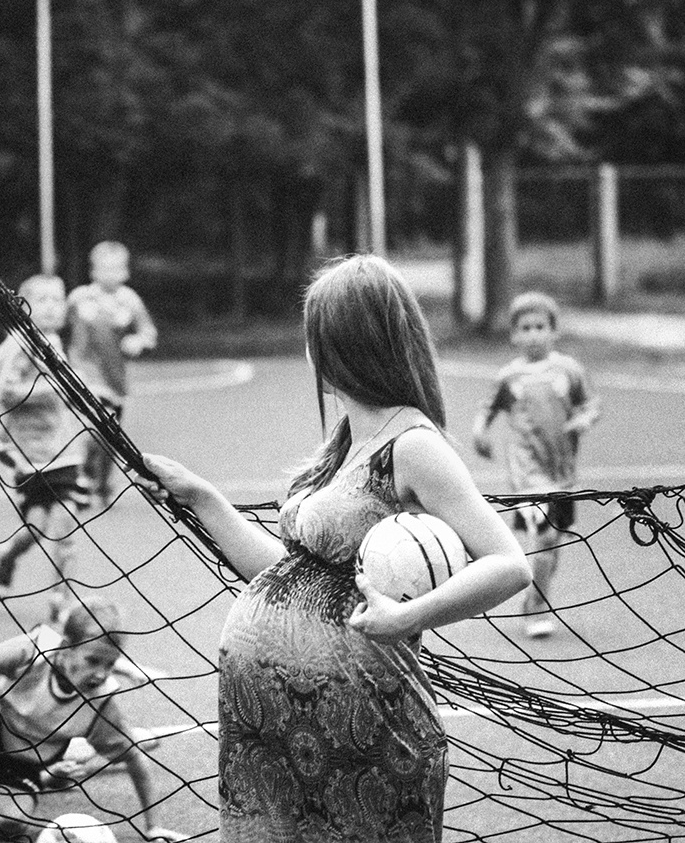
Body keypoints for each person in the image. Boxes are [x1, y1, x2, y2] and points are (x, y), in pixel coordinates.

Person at [138, 254, 532, 842]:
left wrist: (409, 617)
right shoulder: (346, 438)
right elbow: (298, 577)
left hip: (361, 739)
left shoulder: (412, 444)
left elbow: (509, 563)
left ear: (341, 344)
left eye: (313, 337)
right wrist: (201, 497)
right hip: (270, 740)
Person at [0, 599, 186, 842]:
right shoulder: (37, 649)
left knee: (7, 826)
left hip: (22, 763)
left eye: (110, 664)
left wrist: (153, 827)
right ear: (66, 647)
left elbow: (134, 758)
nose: (101, 673)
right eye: (93, 661)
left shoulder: (100, 700)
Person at [471, 291, 600, 639]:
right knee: (543, 536)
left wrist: (583, 421)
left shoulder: (569, 370)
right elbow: (488, 408)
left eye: (540, 326)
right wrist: (480, 432)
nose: (532, 334)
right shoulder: (510, 377)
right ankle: (537, 607)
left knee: (553, 544)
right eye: (525, 328)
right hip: (527, 475)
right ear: (514, 334)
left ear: (553, 331)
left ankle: (535, 597)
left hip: (562, 474)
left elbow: (590, 405)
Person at [0, 274, 92, 622]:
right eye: (43, 299)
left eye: (57, 299)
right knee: (34, 529)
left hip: (64, 454)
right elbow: (6, 392)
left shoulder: (53, 340)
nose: (52, 306)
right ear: (25, 307)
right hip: (32, 457)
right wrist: (55, 387)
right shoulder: (19, 344)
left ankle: (60, 601)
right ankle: (6, 555)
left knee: (65, 528)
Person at [66, 242, 156, 509]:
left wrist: (137, 342)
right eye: (104, 268)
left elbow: (148, 333)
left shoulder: (130, 300)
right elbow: (55, 324)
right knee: (90, 430)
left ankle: (101, 481)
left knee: (109, 437)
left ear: (125, 271)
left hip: (114, 380)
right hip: (83, 375)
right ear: (93, 271)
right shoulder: (79, 298)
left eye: (116, 268)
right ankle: (81, 481)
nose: (110, 274)